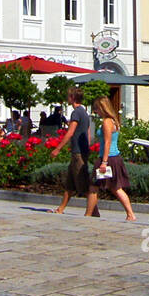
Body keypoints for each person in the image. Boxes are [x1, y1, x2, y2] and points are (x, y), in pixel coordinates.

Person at [50, 88, 99, 217]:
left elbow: (70, 132)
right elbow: (88, 133)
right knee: (70, 183)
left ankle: (92, 212)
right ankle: (61, 208)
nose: (67, 98)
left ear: (72, 97)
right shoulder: (84, 112)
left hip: (78, 152)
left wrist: (58, 148)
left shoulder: (76, 113)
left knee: (83, 184)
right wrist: (87, 149)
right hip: (81, 151)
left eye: (68, 96)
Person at [90, 96, 136, 221]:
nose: (95, 111)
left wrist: (104, 162)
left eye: (96, 109)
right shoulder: (114, 121)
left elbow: (107, 142)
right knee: (114, 187)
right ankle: (130, 214)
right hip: (114, 157)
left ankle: (89, 214)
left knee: (94, 186)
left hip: (108, 158)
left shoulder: (107, 122)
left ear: (102, 108)